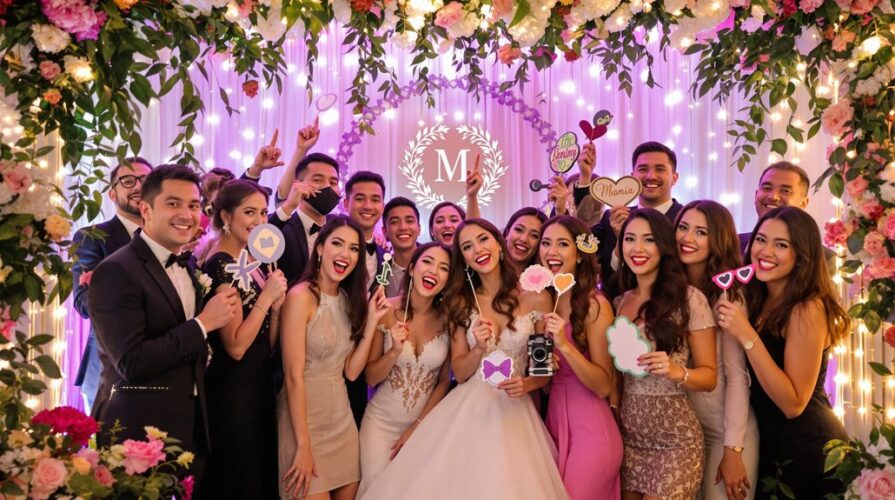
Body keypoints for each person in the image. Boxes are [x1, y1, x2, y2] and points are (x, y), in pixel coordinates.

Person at [361, 219, 568, 500]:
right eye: (467, 247)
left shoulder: (537, 299)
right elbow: (458, 372)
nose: (478, 250)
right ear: (465, 259)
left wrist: (528, 384)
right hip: (469, 409)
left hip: (515, 413)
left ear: (499, 243)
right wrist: (478, 350)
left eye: (483, 240)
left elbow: (543, 369)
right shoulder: (461, 302)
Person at [88, 165, 241, 478]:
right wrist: (203, 324)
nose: (186, 214)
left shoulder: (188, 264)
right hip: (135, 435)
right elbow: (131, 361)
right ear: (146, 209)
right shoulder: (116, 271)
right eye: (173, 203)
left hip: (189, 430)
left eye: (193, 205)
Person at [717, 207, 849, 499]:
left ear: (801, 255)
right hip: (772, 445)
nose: (765, 251)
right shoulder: (759, 297)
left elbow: (793, 404)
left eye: (781, 245)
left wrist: (747, 335)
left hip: (808, 447)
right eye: (761, 240)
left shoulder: (807, 308)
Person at [277, 216, 385, 500]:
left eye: (353, 249)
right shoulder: (300, 296)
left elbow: (351, 372)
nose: (345, 254)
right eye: (337, 243)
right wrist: (303, 445)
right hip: (303, 421)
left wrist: (372, 321)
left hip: (341, 421)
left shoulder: (350, 300)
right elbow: (293, 375)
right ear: (320, 248)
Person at [614, 208, 717, 500]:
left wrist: (675, 370)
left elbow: (709, 377)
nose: (637, 248)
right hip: (629, 440)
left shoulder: (689, 298)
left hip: (676, 441)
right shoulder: (618, 301)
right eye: (630, 239)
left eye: (648, 240)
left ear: (663, 246)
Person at [200, 180, 288, 499]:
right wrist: (266, 298)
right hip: (233, 391)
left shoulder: (252, 262)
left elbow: (266, 343)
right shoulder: (221, 264)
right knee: (239, 479)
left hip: (258, 384)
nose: (259, 220)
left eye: (263, 213)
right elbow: (236, 346)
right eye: (249, 212)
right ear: (226, 216)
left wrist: (276, 309)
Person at [675, 200, 760, 500]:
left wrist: (733, 449)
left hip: (725, 430)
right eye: (683, 227)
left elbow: (738, 377)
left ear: (718, 240)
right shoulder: (670, 289)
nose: (688, 238)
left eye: (701, 232)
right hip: (683, 433)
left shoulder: (728, 295)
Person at [358, 242, 452, 496]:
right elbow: (370, 377)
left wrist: (418, 426)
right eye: (427, 262)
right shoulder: (386, 309)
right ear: (412, 268)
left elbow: (444, 381)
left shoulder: (449, 319)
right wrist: (394, 351)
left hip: (424, 426)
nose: (433, 271)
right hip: (380, 426)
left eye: (443, 268)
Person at [540, 216, 622, 499]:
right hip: (554, 423)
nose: (552, 251)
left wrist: (565, 346)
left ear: (579, 254)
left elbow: (603, 385)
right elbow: (545, 383)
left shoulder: (594, 305)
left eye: (562, 244)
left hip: (592, 431)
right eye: (546, 243)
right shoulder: (544, 302)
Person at [72, 157, 153, 412]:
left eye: (145, 181)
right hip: (107, 368)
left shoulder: (171, 239)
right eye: (127, 181)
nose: (138, 187)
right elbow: (83, 303)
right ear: (112, 193)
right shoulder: (91, 237)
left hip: (162, 368)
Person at [573, 142, 684, 298]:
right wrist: (586, 176)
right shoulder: (612, 217)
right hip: (616, 308)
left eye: (660, 169)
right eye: (643, 169)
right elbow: (580, 241)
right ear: (633, 177)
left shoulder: (685, 221)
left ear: (674, 178)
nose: (651, 176)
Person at [270, 152, 342, 284]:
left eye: (333, 182)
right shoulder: (281, 225)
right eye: (317, 180)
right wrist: (288, 206)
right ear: (298, 185)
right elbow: (254, 248)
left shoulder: (341, 227)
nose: (327, 187)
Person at [343, 171, 387, 291]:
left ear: (382, 207)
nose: (368, 206)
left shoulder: (384, 255)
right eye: (360, 199)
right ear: (346, 204)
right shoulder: (329, 242)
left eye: (375, 200)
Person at [381, 197, 421, 298]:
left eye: (409, 221)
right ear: (385, 231)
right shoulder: (380, 269)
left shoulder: (434, 266)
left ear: (419, 229)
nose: (403, 227)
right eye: (394, 222)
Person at [503, 207, 548, 272]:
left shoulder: (547, 276)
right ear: (507, 233)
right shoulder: (489, 271)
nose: (524, 239)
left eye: (534, 235)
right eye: (519, 230)